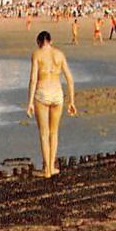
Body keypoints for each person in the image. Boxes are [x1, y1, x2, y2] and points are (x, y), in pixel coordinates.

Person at [27, 31, 76, 178]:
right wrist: (71, 101)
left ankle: (47, 169)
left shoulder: (37, 54)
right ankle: (52, 166)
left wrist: (30, 102)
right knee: (54, 132)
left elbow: (33, 80)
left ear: (38, 42)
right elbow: (70, 78)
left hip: (42, 93)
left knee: (44, 133)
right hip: (57, 94)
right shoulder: (59, 54)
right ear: (51, 41)